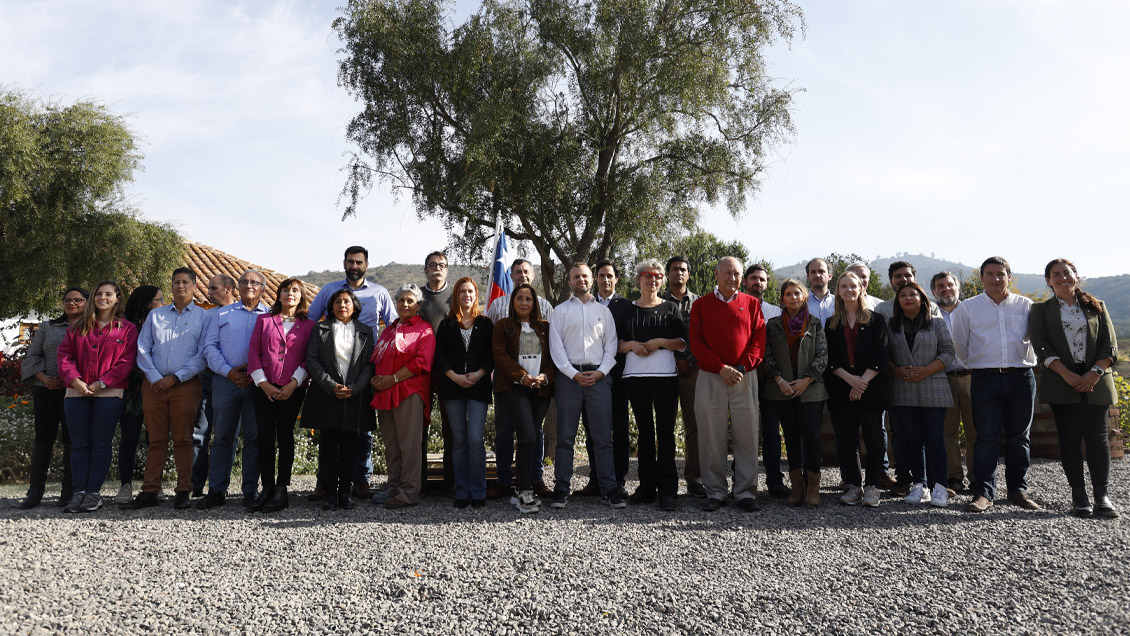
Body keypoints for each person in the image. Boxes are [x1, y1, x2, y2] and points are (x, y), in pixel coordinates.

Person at [1030, 259, 1119, 518]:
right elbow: (1041, 346)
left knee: (1097, 437)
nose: (1062, 278)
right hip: (1061, 381)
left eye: (1066, 273)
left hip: (1097, 381)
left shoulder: (1097, 307)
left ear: (1076, 276)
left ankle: (1102, 496)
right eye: (1055, 275)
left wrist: (1094, 374)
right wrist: (1068, 376)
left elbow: (1109, 346)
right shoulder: (1041, 310)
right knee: (1068, 439)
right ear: (1048, 280)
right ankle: (1079, 496)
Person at [951, 256, 1040, 513]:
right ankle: (983, 493)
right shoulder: (968, 307)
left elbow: (1035, 337)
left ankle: (1017, 490)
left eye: (1001, 274)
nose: (995, 278)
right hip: (985, 379)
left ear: (1009, 277)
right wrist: (980, 363)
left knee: (1019, 437)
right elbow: (960, 343)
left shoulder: (1026, 305)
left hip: (1021, 377)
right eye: (990, 274)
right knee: (985, 437)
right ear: (982, 278)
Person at [306, 246, 395, 499]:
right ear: (344, 263)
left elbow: (393, 326)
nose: (354, 266)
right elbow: (311, 321)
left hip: (364, 370)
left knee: (361, 431)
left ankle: (361, 479)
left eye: (359, 262)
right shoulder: (328, 290)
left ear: (366, 265)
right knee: (328, 433)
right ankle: (324, 483)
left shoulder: (380, 292)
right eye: (350, 262)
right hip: (331, 373)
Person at [689, 257, 766, 512]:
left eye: (737, 274)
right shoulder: (701, 305)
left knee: (747, 436)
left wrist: (742, 367)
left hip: (744, 376)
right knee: (711, 436)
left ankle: (745, 492)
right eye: (727, 273)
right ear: (716, 274)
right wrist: (720, 368)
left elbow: (758, 340)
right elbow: (696, 343)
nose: (732, 278)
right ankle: (716, 492)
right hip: (712, 376)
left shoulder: (752, 304)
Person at [128, 268, 209, 510]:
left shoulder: (204, 318)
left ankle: (184, 490)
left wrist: (175, 378)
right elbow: (142, 349)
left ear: (194, 286)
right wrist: (155, 377)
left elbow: (203, 354)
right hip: (154, 386)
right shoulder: (156, 316)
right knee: (156, 440)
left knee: (184, 439)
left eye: (185, 282)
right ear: (171, 286)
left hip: (185, 385)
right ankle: (150, 490)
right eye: (176, 282)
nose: (180, 286)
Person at [56, 281, 138, 513]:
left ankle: (93, 493)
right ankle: (79, 491)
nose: (103, 298)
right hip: (76, 391)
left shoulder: (127, 329)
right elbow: (64, 356)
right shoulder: (77, 327)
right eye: (99, 294)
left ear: (117, 298)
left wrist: (102, 382)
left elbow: (127, 361)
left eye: (108, 294)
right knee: (79, 443)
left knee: (101, 443)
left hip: (109, 393)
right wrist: (76, 381)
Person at [547, 262, 621, 509]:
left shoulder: (604, 312)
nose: (581, 280)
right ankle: (561, 489)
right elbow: (556, 349)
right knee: (565, 438)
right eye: (576, 276)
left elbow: (611, 346)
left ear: (592, 280)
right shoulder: (559, 312)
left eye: (585, 276)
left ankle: (609, 489)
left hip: (599, 379)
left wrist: (600, 372)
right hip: (569, 380)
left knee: (602, 438)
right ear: (569, 281)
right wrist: (572, 374)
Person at [196, 269, 270, 510]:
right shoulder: (220, 314)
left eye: (255, 282)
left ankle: (250, 490)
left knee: (254, 438)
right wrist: (229, 372)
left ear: (263, 288)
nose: (249, 285)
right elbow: (209, 347)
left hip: (257, 385)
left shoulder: (269, 315)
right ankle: (217, 490)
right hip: (225, 382)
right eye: (245, 281)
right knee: (222, 438)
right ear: (236, 287)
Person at [617, 259, 687, 511]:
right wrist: (632, 346)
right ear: (638, 279)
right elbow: (615, 344)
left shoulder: (670, 308)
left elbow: (681, 342)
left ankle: (668, 491)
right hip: (635, 378)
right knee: (645, 433)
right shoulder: (627, 309)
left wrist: (659, 342)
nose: (653, 279)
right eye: (648, 275)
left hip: (666, 378)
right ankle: (646, 488)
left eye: (658, 275)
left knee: (666, 434)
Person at [485, 258, 554, 500]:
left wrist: (543, 377)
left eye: (526, 271)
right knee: (505, 431)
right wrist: (523, 377)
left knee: (534, 433)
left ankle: (534, 479)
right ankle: (504, 481)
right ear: (512, 275)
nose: (522, 275)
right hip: (509, 385)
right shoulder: (498, 309)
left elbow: (553, 352)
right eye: (517, 272)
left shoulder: (545, 317)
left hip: (540, 387)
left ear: (532, 275)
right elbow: (499, 353)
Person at [303, 288, 376, 511]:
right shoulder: (320, 328)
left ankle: (345, 493)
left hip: (355, 396)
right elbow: (312, 359)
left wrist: (354, 388)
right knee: (328, 447)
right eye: (337, 302)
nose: (342, 306)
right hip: (327, 394)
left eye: (346, 302)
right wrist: (331, 385)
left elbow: (369, 364)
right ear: (331, 306)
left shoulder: (365, 331)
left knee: (349, 447)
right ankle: (329, 495)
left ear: (354, 306)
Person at [247, 278, 315, 513]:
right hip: (263, 388)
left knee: (285, 436)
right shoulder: (264, 320)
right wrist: (263, 383)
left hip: (293, 390)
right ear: (278, 294)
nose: (290, 293)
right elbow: (254, 352)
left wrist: (293, 384)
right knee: (265, 437)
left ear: (301, 296)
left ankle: (281, 489)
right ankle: (266, 487)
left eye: (295, 290)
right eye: (286, 289)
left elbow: (310, 357)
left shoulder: (310, 325)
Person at [873, 261, 941, 495]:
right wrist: (895, 369)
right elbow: (879, 347)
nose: (903, 280)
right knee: (901, 433)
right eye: (897, 276)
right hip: (894, 380)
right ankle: (904, 479)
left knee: (930, 433)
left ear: (914, 277)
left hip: (928, 379)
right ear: (891, 280)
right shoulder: (882, 309)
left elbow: (943, 344)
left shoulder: (930, 307)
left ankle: (933, 483)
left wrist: (925, 370)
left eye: (907, 275)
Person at [17, 286, 88, 509]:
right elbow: (32, 357)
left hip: (76, 391)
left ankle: (69, 491)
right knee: (43, 439)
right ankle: (35, 491)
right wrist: (45, 378)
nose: (72, 303)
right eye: (68, 300)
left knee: (72, 440)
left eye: (78, 300)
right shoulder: (48, 327)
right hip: (46, 390)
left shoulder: (93, 328)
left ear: (87, 302)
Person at [887, 282, 955, 508]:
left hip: (933, 385)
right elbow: (883, 355)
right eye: (903, 295)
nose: (908, 298)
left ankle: (940, 487)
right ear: (898, 300)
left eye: (913, 294)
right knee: (912, 440)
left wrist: (927, 370)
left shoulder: (936, 323)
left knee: (935, 438)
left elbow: (948, 352)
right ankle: (920, 484)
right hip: (903, 388)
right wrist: (896, 370)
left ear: (923, 299)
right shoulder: (892, 325)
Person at [824, 272, 888, 508]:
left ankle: (872, 486)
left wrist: (862, 382)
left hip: (871, 387)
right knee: (846, 439)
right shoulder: (831, 324)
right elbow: (830, 360)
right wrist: (851, 381)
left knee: (873, 438)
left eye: (853, 286)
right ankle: (853, 485)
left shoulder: (876, 320)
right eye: (843, 286)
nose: (849, 290)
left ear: (862, 288)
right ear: (838, 291)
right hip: (841, 387)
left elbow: (881, 355)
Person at [762, 278, 827, 508]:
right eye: (788, 294)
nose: (793, 298)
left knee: (810, 435)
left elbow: (822, 356)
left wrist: (807, 380)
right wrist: (779, 379)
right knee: (790, 436)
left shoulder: (815, 323)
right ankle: (797, 486)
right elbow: (766, 355)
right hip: (781, 390)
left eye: (797, 293)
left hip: (811, 390)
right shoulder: (773, 324)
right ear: (782, 298)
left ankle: (813, 487)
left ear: (804, 297)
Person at [370, 283, 434, 509]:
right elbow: (378, 358)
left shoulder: (424, 330)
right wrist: (376, 380)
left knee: (409, 445)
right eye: (401, 300)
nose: (405, 304)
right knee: (391, 445)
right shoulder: (389, 329)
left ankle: (408, 493)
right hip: (385, 392)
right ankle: (394, 487)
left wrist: (393, 379)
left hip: (408, 391)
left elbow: (421, 362)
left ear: (418, 305)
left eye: (410, 300)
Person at [435, 277, 494, 508]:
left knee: (475, 440)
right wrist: (454, 376)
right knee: (459, 441)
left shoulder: (486, 324)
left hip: (478, 388)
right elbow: (440, 356)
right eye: (462, 291)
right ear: (456, 295)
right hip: (453, 388)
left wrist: (479, 374)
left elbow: (492, 356)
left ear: (476, 295)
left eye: (470, 291)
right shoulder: (446, 324)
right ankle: (462, 492)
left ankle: (479, 491)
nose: (466, 295)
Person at [660, 256, 704, 498]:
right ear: (667, 274)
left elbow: (703, 336)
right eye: (674, 269)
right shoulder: (657, 301)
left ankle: (694, 478)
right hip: (664, 371)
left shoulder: (699, 303)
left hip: (693, 371)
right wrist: (675, 361)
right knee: (664, 427)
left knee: (693, 427)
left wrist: (690, 362)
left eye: (683, 269)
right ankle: (663, 479)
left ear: (689, 275)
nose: (679, 272)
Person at [114, 285, 163, 504]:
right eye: (159, 300)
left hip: (156, 387)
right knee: (130, 439)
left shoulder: (162, 323)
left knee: (156, 439)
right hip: (133, 390)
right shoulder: (125, 325)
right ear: (146, 302)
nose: (163, 303)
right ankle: (126, 485)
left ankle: (154, 485)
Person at [745, 263, 788, 499]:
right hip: (744, 376)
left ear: (767, 282)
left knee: (771, 431)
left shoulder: (774, 312)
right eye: (753, 278)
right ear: (745, 282)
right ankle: (741, 481)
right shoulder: (737, 307)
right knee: (744, 431)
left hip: (771, 379)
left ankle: (774, 482)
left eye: (762, 279)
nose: (757, 283)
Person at [191, 274, 236, 498]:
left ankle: (219, 486)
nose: (209, 292)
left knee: (226, 435)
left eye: (214, 288)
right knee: (199, 433)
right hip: (207, 377)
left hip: (232, 379)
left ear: (228, 289)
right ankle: (195, 484)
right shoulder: (206, 316)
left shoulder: (239, 314)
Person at [931, 271, 977, 492]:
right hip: (943, 378)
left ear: (958, 288)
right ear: (933, 291)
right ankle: (954, 477)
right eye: (940, 286)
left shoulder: (972, 311)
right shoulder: (929, 315)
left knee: (975, 429)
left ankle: (978, 476)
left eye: (950, 285)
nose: (946, 289)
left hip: (973, 377)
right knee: (946, 431)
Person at [593, 258, 631, 498]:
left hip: (618, 376)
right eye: (601, 276)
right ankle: (595, 480)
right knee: (594, 429)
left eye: (610, 276)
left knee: (619, 429)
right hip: (591, 376)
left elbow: (627, 339)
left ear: (616, 279)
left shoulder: (626, 306)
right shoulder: (586, 304)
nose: (605, 280)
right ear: (595, 278)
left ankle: (618, 479)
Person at [418, 250, 455, 491]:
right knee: (420, 425)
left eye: (441, 265)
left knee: (450, 425)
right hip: (420, 369)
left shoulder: (456, 296)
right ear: (426, 270)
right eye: (432, 265)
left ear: (447, 270)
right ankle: (418, 481)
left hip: (448, 369)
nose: (437, 268)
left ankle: (451, 481)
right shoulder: (416, 297)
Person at [805, 258, 835, 327]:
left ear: (830, 276)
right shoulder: (801, 303)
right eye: (813, 272)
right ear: (808, 277)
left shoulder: (839, 303)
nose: (817, 275)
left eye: (821, 271)